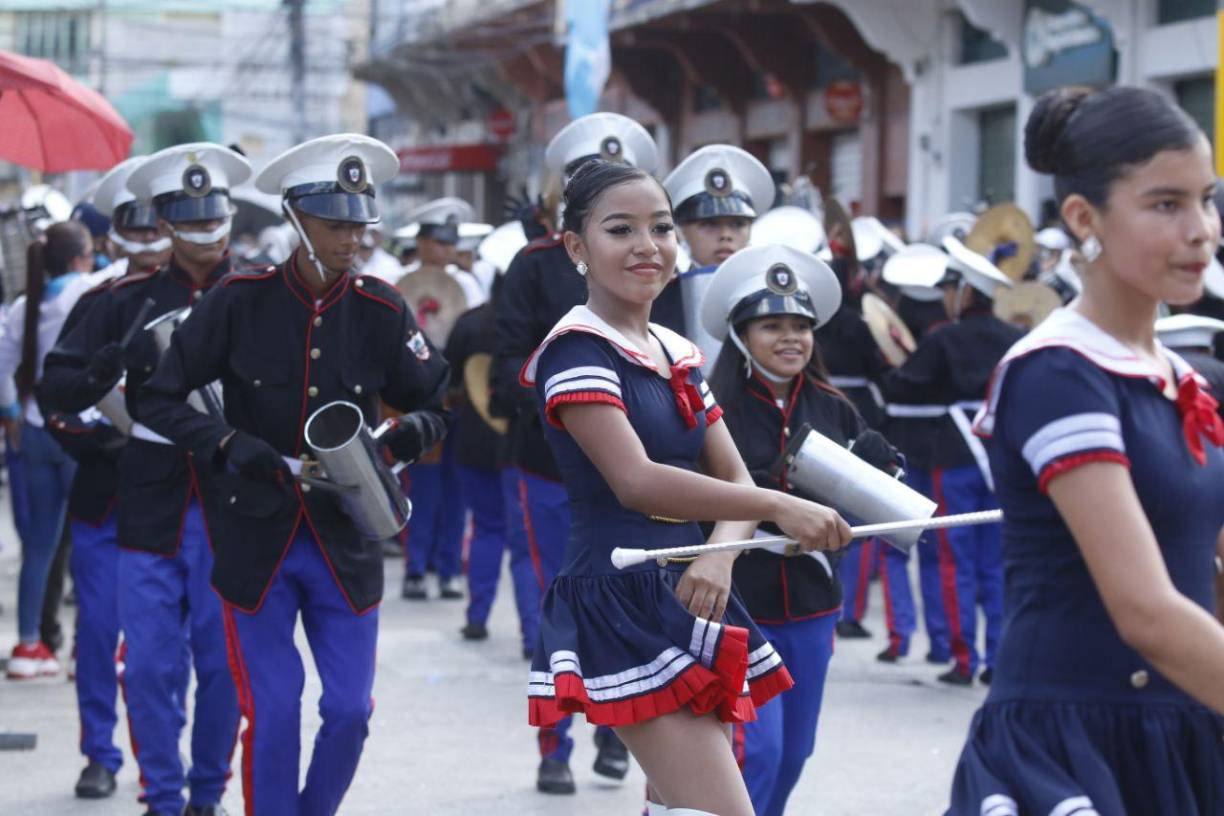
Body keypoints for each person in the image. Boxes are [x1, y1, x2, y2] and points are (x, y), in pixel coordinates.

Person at [522, 159, 852, 816]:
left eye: (662, 227)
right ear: (577, 247)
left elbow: (734, 475)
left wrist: (720, 555)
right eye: (621, 229)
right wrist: (779, 506)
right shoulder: (575, 350)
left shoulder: (676, 350)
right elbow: (636, 481)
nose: (648, 246)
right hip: (620, 596)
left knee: (682, 808)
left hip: (688, 593)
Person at [138, 133, 450, 816]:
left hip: (348, 539)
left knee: (350, 711)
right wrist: (225, 442)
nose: (352, 239)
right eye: (335, 224)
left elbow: (435, 398)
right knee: (275, 711)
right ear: (296, 219)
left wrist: (417, 431)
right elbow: (156, 397)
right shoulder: (237, 300)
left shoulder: (381, 307)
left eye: (359, 224)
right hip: (256, 540)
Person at [948, 84, 1224, 815]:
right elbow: (1145, 611)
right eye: (1166, 204)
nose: (1202, 230)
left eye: (1207, 200)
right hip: (1075, 747)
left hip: (1186, 728)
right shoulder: (1058, 373)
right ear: (1083, 217)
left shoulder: (1181, 378)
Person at [40, 142, 252, 816]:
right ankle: (161, 795)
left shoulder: (261, 294)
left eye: (213, 215)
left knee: (223, 665)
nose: (204, 230)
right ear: (164, 223)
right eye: (189, 217)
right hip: (147, 506)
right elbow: (56, 387)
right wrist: (109, 367)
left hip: (232, 504)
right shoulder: (118, 301)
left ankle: (206, 792)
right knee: (151, 665)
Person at [702, 243, 900, 816]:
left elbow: (884, 491)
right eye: (772, 326)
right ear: (740, 335)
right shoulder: (715, 409)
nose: (791, 338)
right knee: (754, 751)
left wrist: (880, 478)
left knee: (794, 753)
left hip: (814, 603)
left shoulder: (835, 406)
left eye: (801, 327)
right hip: (738, 603)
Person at [493, 111, 658, 794]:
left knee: (630, 596)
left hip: (638, 472)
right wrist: (577, 406)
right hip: (549, 466)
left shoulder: (653, 266)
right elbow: (503, 364)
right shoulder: (533, 266)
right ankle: (553, 745)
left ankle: (618, 729)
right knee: (554, 603)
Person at [38, 156, 172, 799]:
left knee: (167, 648)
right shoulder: (93, 302)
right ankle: (99, 752)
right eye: (134, 229)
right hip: (105, 498)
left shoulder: (209, 300)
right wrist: (98, 437)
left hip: (178, 499)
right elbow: (54, 395)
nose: (146, 242)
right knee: (97, 634)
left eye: (157, 228)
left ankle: (167, 765)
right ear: (114, 234)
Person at [882, 234, 1020, 685]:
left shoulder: (945, 339)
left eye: (948, 289)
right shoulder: (1015, 337)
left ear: (964, 292)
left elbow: (903, 386)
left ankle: (965, 660)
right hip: (1001, 460)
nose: (944, 298)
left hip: (954, 456)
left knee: (953, 560)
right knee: (996, 563)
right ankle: (998, 658)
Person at [1, 221, 95, 680]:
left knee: (40, 545)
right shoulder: (89, 290)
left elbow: (2, 367)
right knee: (90, 542)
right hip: (81, 430)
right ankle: (85, 648)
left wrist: (12, 412)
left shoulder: (24, 305)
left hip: (35, 430)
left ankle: (27, 645)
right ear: (79, 258)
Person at [396, 196, 478, 600]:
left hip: (459, 396)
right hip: (418, 398)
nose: (444, 250)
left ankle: (449, 569)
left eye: (450, 243)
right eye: (438, 242)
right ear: (422, 242)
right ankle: (415, 568)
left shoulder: (469, 285)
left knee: (456, 488)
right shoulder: (399, 282)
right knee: (422, 487)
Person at [656, 144, 775, 365]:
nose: (725, 235)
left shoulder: (770, 295)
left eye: (738, 224)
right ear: (681, 231)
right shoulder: (659, 293)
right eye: (709, 224)